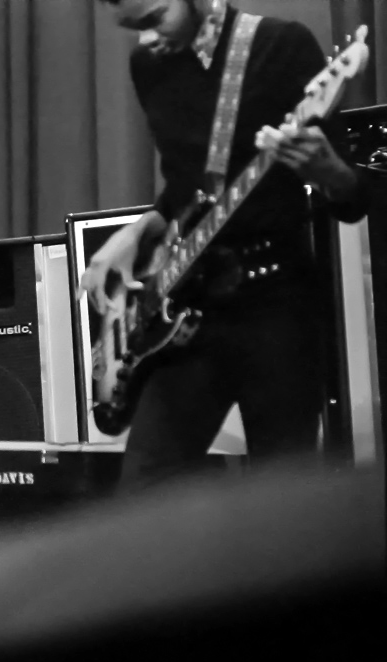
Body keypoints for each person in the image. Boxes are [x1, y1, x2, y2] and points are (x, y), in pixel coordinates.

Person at [81, 0, 369, 490]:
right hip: (190, 313)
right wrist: (139, 230)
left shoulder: (280, 46)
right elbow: (187, 189)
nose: (145, 40)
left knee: (282, 504)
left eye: (154, 20)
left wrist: (329, 173)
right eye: (133, 27)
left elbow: (353, 200)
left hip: (277, 311)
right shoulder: (149, 66)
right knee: (143, 497)